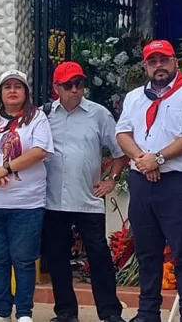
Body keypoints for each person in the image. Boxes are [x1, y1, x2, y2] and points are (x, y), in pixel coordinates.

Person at [115, 41, 182, 322]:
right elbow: (123, 133)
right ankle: (147, 313)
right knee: (147, 251)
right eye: (152, 61)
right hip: (142, 181)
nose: (159, 65)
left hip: (178, 183)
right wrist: (144, 161)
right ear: (145, 66)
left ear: (175, 62)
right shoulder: (134, 97)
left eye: (164, 60)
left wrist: (156, 158)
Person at [42, 62, 128, 322]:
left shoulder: (99, 114)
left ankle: (110, 312)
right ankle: (66, 312)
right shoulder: (43, 115)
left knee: (99, 257)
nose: (75, 90)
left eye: (79, 83)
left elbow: (120, 152)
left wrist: (111, 180)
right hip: (52, 200)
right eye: (68, 85)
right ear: (56, 87)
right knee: (57, 259)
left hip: (88, 200)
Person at [0, 69, 54, 322]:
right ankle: (2, 311)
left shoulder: (36, 118)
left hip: (27, 203)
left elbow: (40, 151)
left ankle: (24, 312)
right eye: (7, 87)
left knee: (24, 259)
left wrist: (4, 169)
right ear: (1, 93)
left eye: (18, 86)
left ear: (26, 92)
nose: (13, 91)